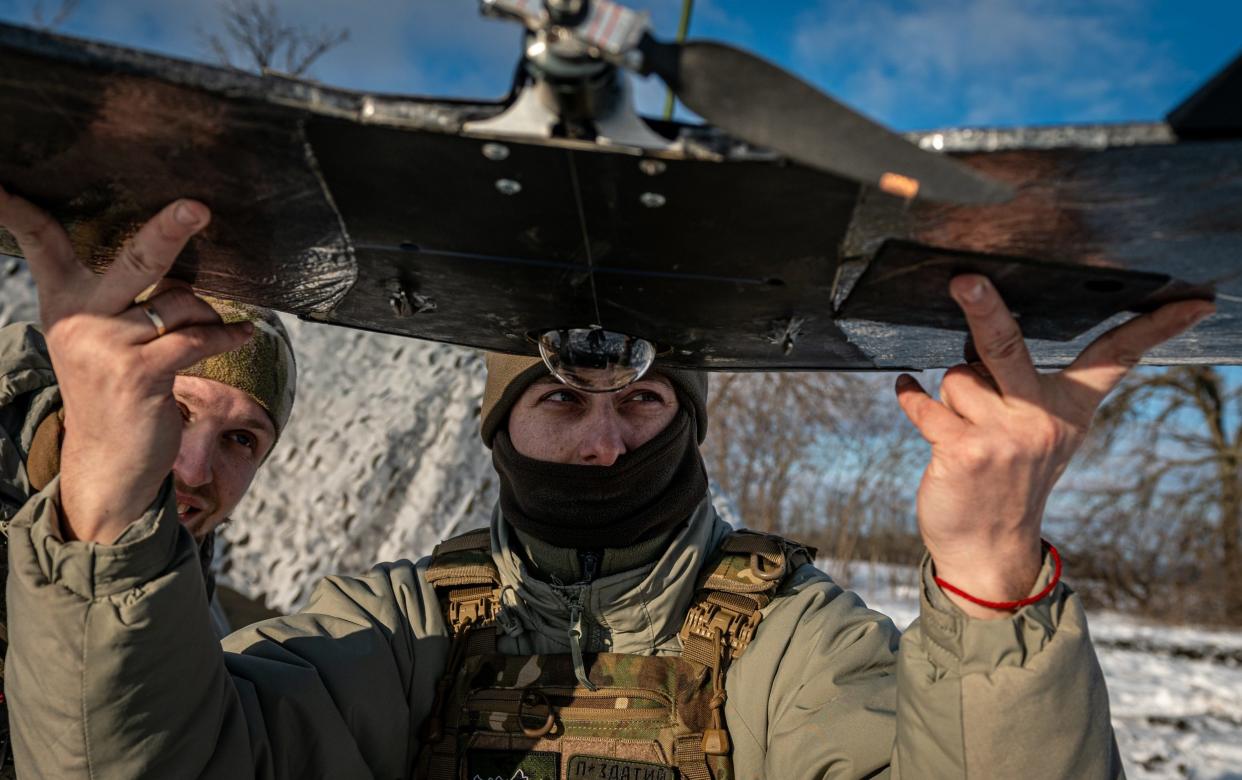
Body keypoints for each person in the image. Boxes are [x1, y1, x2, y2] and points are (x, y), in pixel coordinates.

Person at [0, 187, 1214, 778]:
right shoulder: (397, 625)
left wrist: (993, 575)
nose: (603, 447)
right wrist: (105, 512)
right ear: (497, 426)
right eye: (557, 402)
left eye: (643, 404)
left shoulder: (786, 638)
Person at [0, 194, 297, 773]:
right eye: (175, 408)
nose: (192, 470)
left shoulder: (197, 620)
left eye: (241, 439)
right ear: (86, 386)